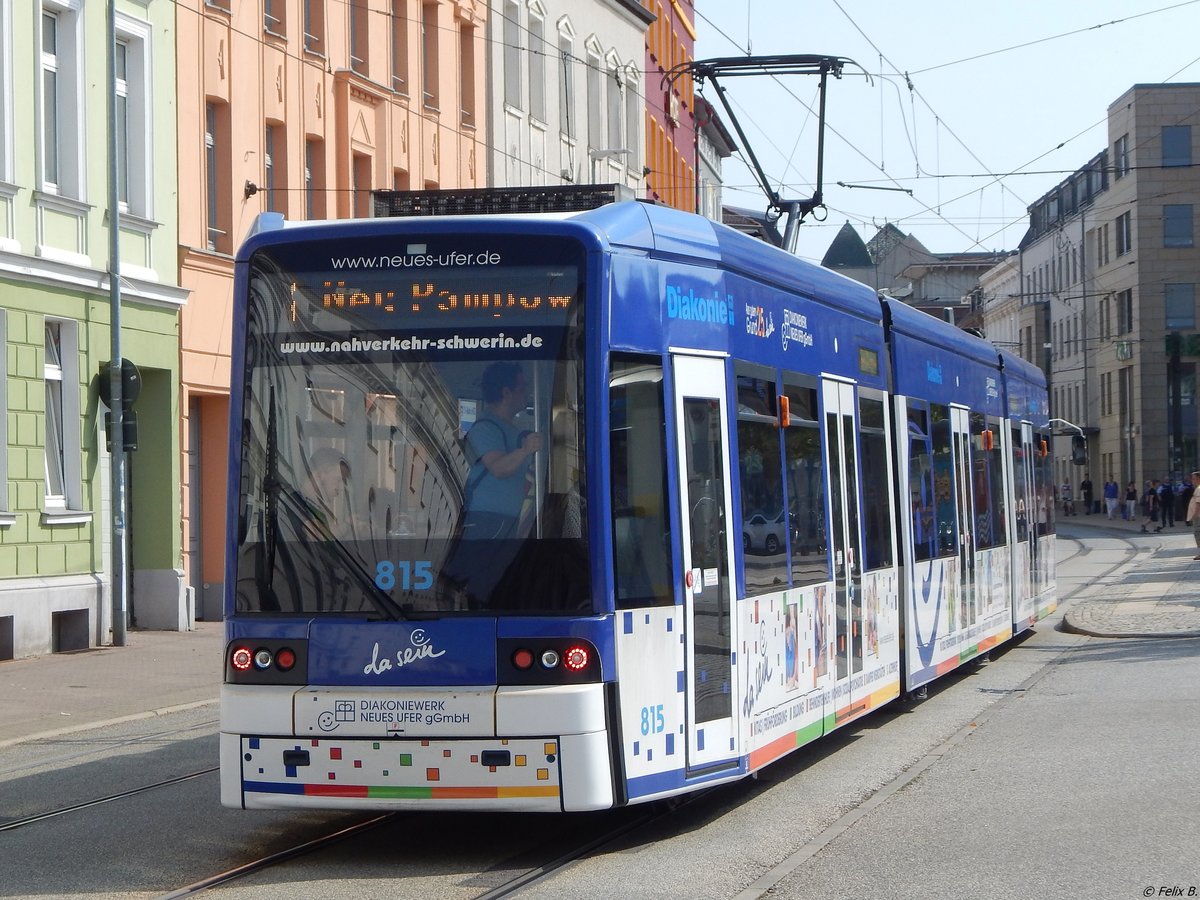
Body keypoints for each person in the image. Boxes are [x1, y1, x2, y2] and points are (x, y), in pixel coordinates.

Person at [459, 361, 543, 540]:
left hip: (506, 519)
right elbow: (499, 468)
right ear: (506, 392)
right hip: (486, 520)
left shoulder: (512, 428)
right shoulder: (484, 428)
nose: (527, 393)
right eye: (522, 388)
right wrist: (525, 450)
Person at [1187, 472, 1200, 560]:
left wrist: (1194, 515)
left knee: (1198, 533)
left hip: (1198, 516)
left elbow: (1198, 503)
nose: (1192, 480)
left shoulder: (1199, 489)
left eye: (1194, 478)